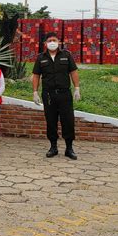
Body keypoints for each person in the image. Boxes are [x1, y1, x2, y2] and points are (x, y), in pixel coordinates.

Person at [32, 32, 80, 160]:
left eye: (54, 40)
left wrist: (77, 88)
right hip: (48, 94)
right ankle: (53, 147)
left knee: (68, 121)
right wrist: (35, 92)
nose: (52, 42)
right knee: (51, 121)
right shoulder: (41, 58)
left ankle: (69, 148)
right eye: (49, 40)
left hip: (64, 94)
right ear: (45, 43)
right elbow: (36, 75)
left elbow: (73, 72)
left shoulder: (66, 55)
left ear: (59, 42)